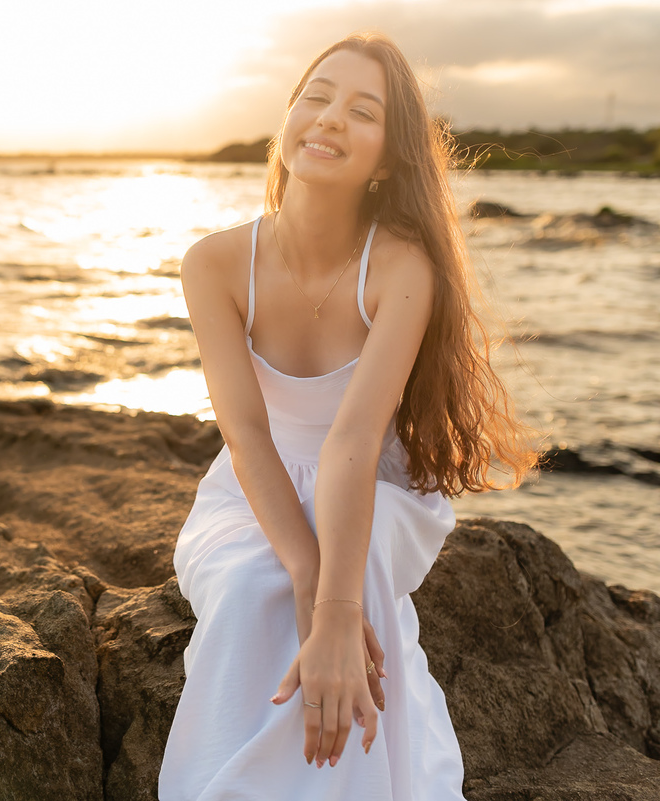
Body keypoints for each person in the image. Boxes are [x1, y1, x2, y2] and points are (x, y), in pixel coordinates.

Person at [157, 31, 539, 800]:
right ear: (289, 117)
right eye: (317, 97)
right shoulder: (215, 262)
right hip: (249, 486)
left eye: (362, 112)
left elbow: (355, 441)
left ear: (389, 158)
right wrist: (306, 579)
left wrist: (334, 603)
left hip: (374, 486)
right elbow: (246, 433)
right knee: (253, 586)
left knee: (354, 579)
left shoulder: (400, 266)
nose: (330, 118)